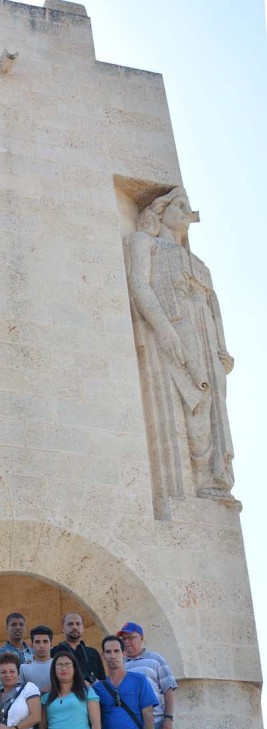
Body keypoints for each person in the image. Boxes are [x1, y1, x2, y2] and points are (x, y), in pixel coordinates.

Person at [125, 185, 235, 501]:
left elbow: (211, 307)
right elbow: (138, 284)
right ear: (160, 211)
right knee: (194, 402)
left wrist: (221, 346)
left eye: (189, 209)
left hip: (204, 338)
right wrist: (163, 328)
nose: (186, 214)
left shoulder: (199, 265)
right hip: (174, 326)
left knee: (214, 408)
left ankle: (213, 479)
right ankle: (195, 484)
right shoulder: (144, 242)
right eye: (180, 206)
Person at [51, 612, 105, 682]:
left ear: (83, 628)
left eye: (78, 624)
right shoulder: (54, 652)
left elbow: (102, 681)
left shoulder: (93, 653)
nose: (75, 627)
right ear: (63, 628)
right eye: (70, 624)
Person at [20, 626, 54, 694]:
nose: (41, 645)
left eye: (45, 641)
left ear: (51, 645)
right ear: (31, 645)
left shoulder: (59, 665)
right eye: (37, 642)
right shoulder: (23, 668)